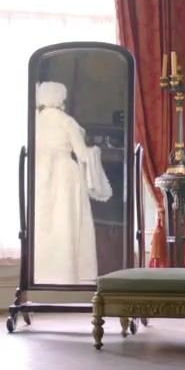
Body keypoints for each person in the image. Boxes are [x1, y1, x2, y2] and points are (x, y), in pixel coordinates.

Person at [32, 81, 111, 285]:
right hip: (66, 175)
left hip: (40, 176)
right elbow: (82, 154)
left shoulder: (35, 121)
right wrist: (96, 151)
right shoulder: (66, 121)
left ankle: (45, 274)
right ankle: (72, 274)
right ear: (60, 98)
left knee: (47, 224)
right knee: (68, 221)